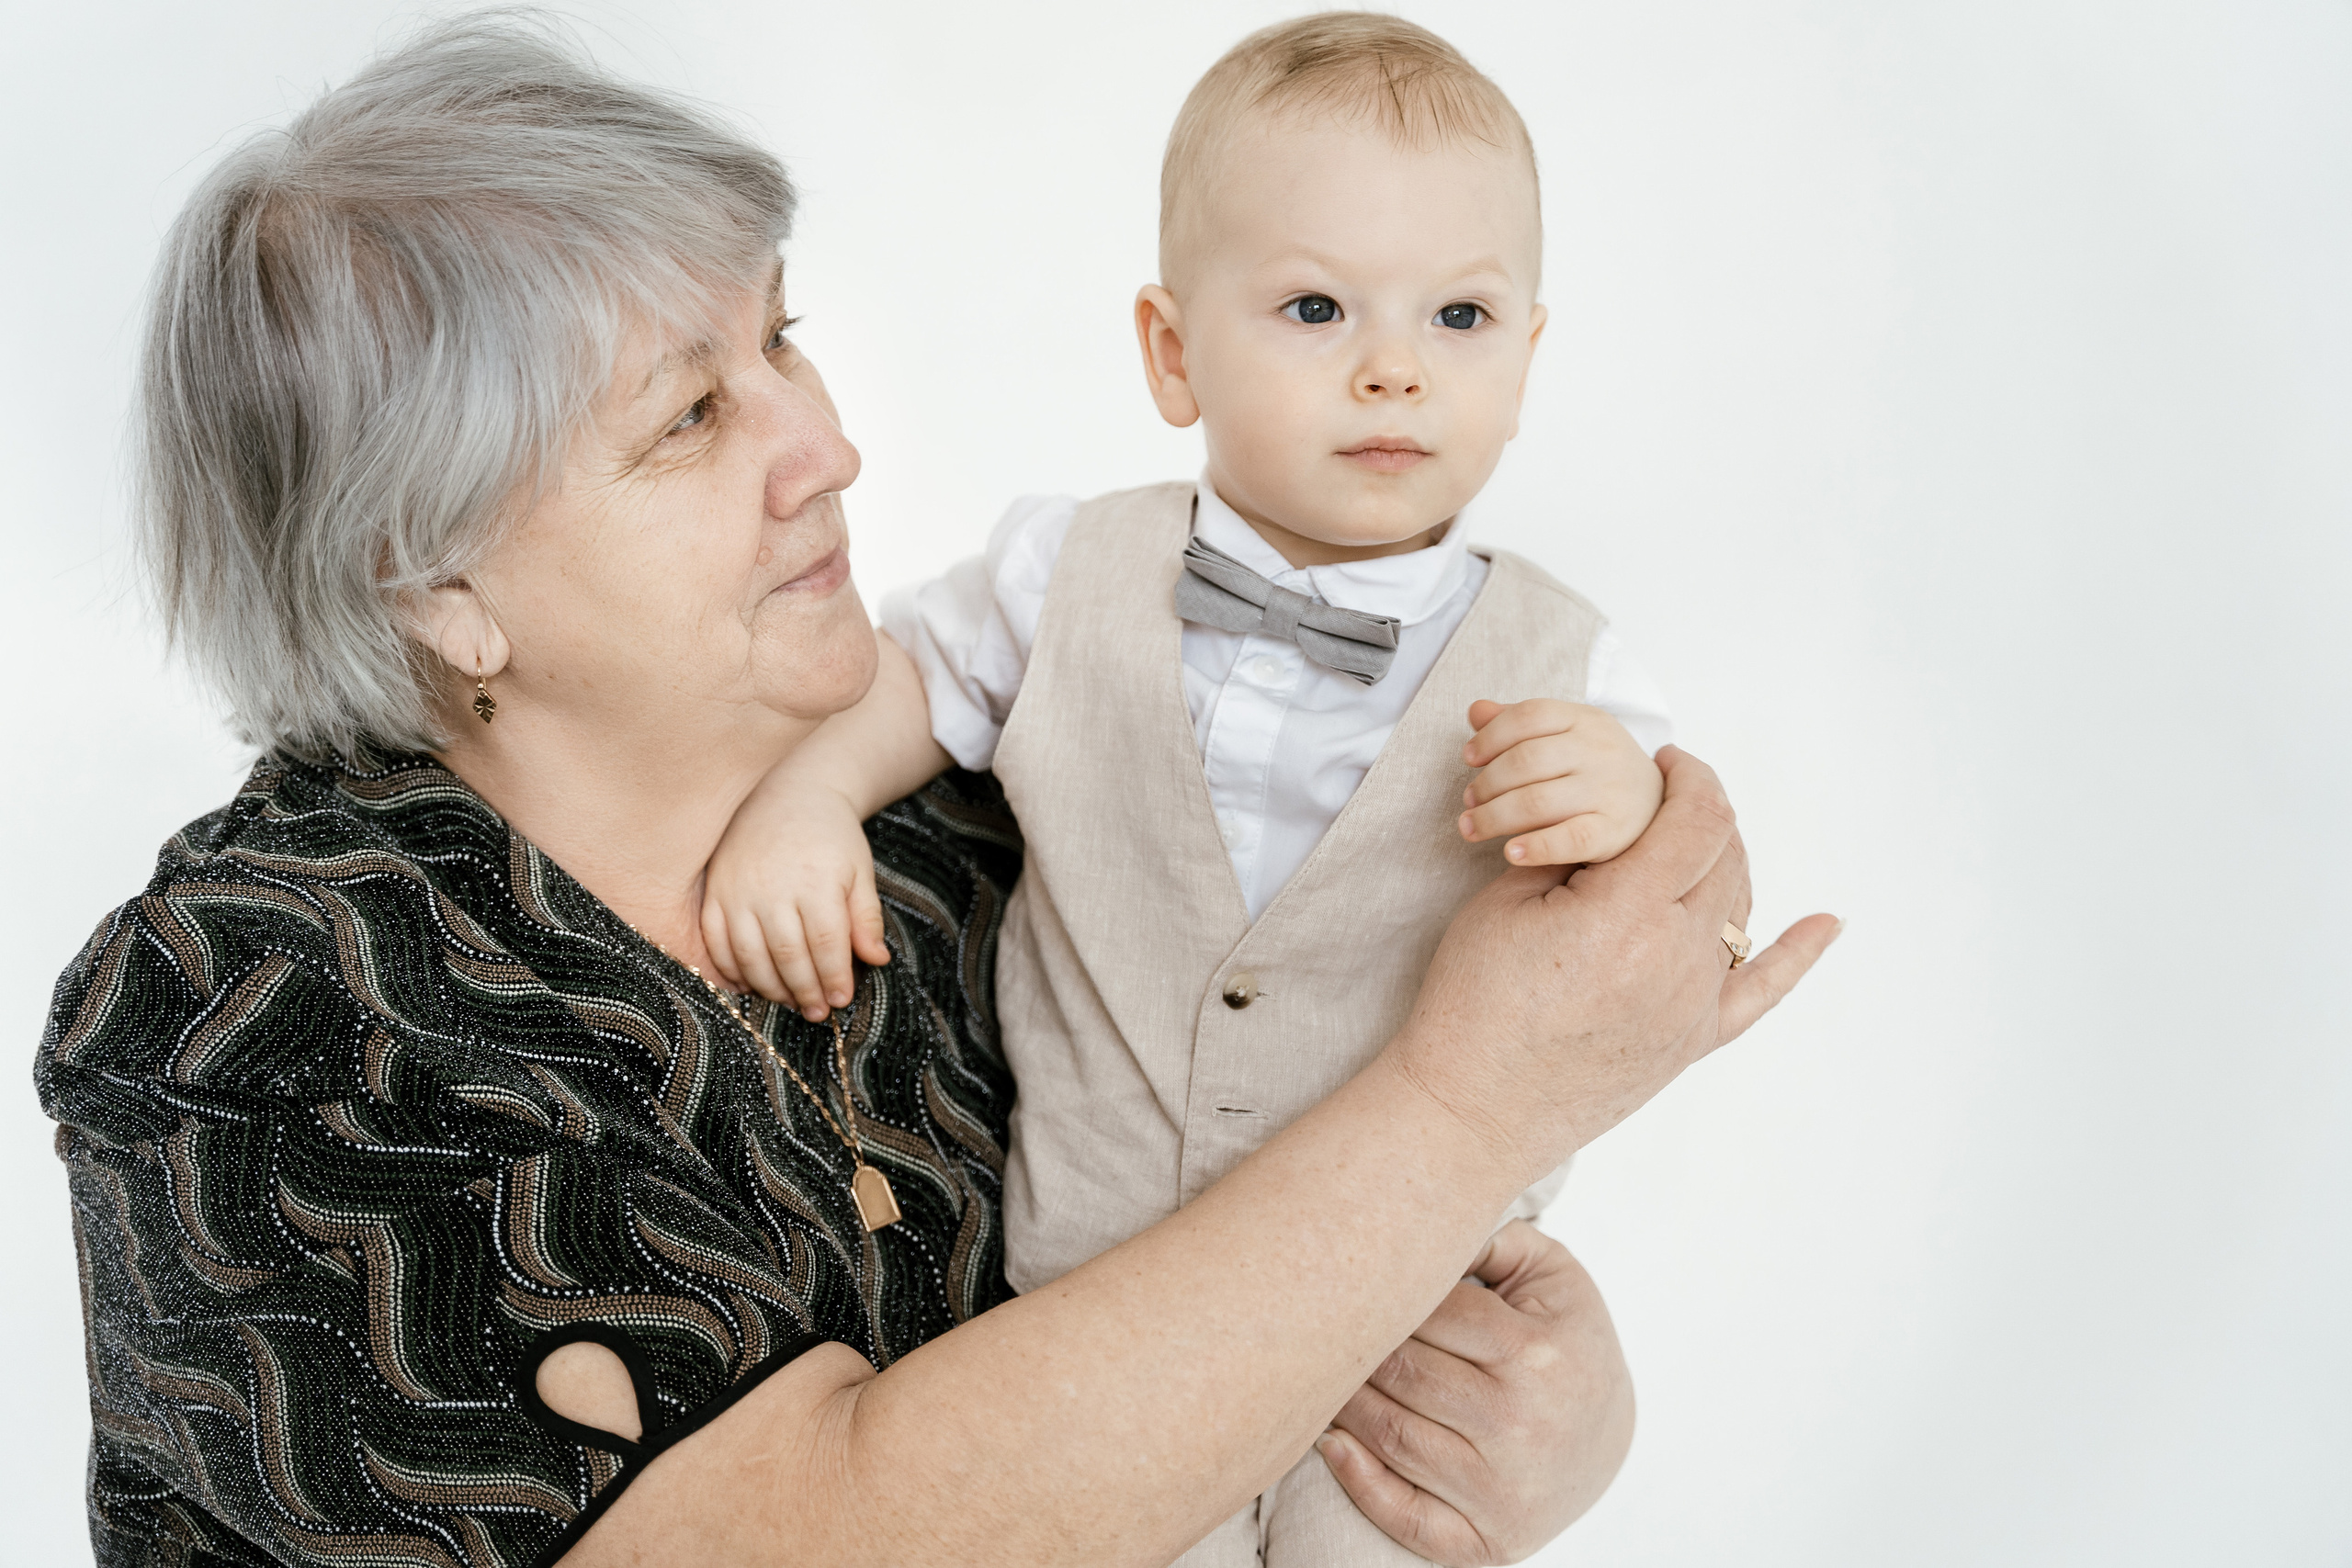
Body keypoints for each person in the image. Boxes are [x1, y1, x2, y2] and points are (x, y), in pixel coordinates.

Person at [34, 18, 1836, 1568]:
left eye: (783, 339)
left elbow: (1250, 1214)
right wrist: (1461, 1111)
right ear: (435, 585)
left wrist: (1518, 1409)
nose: (827, 445)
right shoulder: (259, 1000)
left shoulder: (965, 819)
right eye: (687, 415)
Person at [701, 17, 1721, 1564]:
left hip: (1409, 1331)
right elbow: (914, 679)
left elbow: (1667, 928)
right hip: (1084, 1312)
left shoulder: (1569, 660)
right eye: (1316, 306)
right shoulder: (1070, 572)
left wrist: (1619, 806)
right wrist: (809, 800)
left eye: (1460, 315)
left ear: (1526, 362)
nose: (1393, 364)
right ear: (1174, 353)